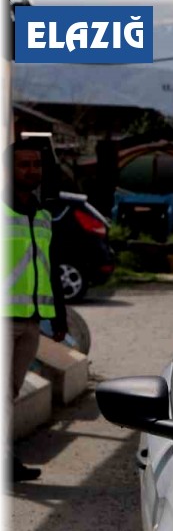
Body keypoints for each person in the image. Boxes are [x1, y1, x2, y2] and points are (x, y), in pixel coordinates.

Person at [7, 139, 68, 482]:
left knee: (11, 392)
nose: (31, 170)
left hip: (30, 323)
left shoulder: (43, 217)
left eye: (36, 164)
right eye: (23, 164)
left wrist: (58, 316)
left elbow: (49, 269)